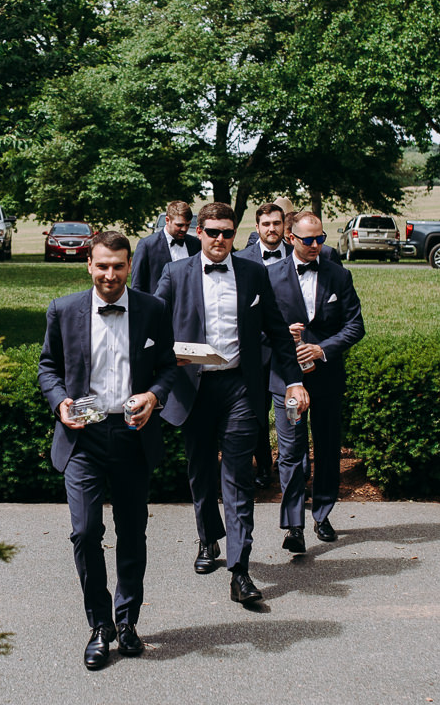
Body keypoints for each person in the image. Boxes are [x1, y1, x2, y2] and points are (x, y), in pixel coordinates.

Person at [154, 202, 308, 606]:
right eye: (211, 232)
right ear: (198, 234)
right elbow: (151, 328)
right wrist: (171, 355)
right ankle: (208, 539)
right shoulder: (175, 273)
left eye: (226, 232)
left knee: (238, 478)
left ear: (235, 234)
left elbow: (277, 332)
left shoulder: (254, 273)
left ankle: (240, 570)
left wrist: (293, 380)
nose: (219, 239)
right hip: (194, 388)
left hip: (240, 387)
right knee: (201, 471)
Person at [38, 231, 179, 670]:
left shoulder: (153, 309)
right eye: (102, 265)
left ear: (130, 266)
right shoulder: (64, 310)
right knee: (84, 533)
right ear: (89, 265)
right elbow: (48, 367)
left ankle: (128, 621)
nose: (110, 274)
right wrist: (60, 400)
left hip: (132, 434)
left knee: (132, 533)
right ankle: (100, 626)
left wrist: (154, 396)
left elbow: (169, 365)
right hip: (84, 436)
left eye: (118, 266)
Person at [267, 211, 364, 552]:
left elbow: (355, 327)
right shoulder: (269, 276)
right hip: (287, 380)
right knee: (292, 452)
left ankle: (322, 514)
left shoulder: (339, 275)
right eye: (308, 240)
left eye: (320, 239)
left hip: (327, 378)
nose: (315, 245)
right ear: (290, 238)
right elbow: (254, 330)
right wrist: (283, 334)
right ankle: (293, 526)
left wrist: (322, 349)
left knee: (326, 449)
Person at [233, 202, 289, 489]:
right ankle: (264, 466)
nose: (271, 229)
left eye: (276, 223)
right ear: (257, 228)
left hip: (288, 350)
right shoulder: (241, 260)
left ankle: (291, 464)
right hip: (253, 351)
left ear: (284, 226)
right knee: (256, 412)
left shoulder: (297, 255)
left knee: (291, 413)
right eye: (266, 224)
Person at [130, 200, 199, 294]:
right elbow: (137, 286)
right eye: (179, 225)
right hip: (158, 306)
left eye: (188, 225)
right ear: (167, 220)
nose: (184, 229)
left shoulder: (195, 244)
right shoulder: (147, 245)